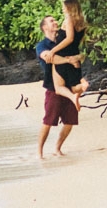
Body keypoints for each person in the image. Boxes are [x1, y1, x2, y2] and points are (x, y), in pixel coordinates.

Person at [36, 9, 84, 159]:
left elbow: (80, 54)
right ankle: (40, 152)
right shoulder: (42, 45)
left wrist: (76, 58)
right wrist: (68, 59)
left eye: (55, 20)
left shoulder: (63, 39)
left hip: (69, 82)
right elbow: (49, 58)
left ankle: (57, 148)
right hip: (52, 86)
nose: (55, 22)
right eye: (51, 21)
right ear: (44, 27)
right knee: (49, 121)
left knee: (70, 121)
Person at [49, 0, 89, 113]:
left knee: (59, 87)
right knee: (73, 86)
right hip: (74, 53)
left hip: (64, 55)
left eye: (64, 7)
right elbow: (79, 40)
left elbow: (69, 38)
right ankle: (82, 85)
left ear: (69, 7)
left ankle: (78, 90)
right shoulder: (82, 21)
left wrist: (53, 50)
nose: (62, 9)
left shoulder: (69, 19)